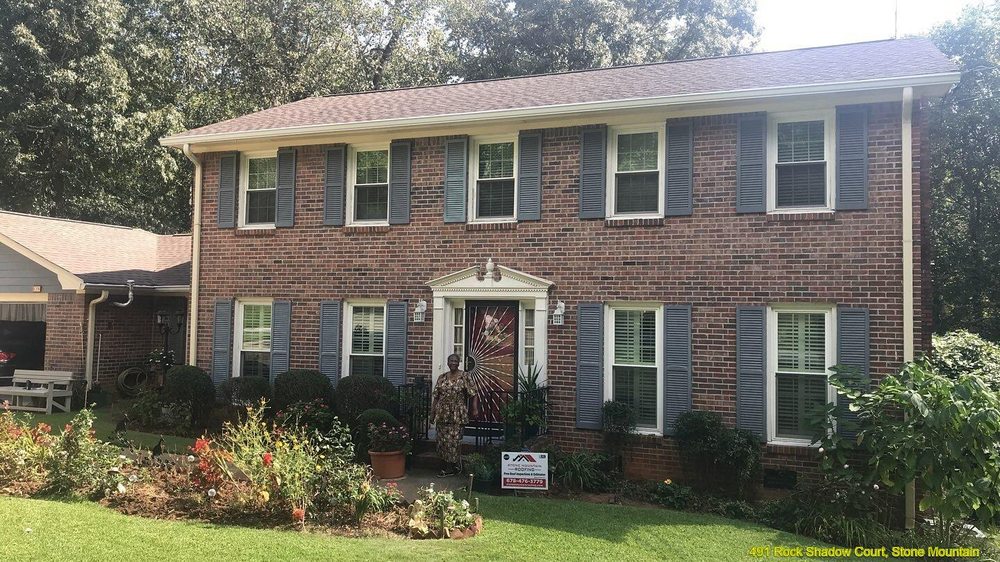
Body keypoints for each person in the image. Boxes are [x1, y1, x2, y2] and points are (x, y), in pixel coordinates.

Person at [431, 353, 479, 477]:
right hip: (442, 413)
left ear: (459, 363)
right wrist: (432, 413)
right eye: (451, 360)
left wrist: (474, 409)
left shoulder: (465, 376)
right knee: (442, 441)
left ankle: (452, 467)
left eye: (455, 361)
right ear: (447, 363)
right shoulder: (442, 377)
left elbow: (474, 393)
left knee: (453, 440)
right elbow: (436, 397)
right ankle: (447, 465)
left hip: (457, 413)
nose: (453, 363)